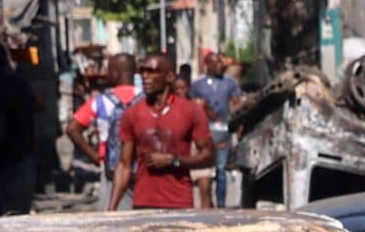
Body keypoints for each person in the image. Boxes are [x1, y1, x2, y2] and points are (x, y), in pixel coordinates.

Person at [109, 52, 213, 211]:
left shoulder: (190, 110)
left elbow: (209, 156)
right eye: (142, 71)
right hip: (143, 203)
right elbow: (124, 165)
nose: (144, 76)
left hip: (179, 203)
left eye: (151, 71)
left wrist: (174, 160)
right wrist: (111, 209)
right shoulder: (132, 113)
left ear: (170, 76)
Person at [67, 54, 137, 207]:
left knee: (112, 222)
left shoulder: (100, 100)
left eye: (109, 69)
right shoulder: (146, 98)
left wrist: (95, 157)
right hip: (141, 172)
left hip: (110, 170)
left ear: (115, 72)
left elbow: (72, 128)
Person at [0, 42, 38, 216]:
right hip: (26, 157)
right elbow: (38, 105)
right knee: (20, 213)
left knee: (9, 215)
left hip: (8, 162)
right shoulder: (21, 85)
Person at [190, 48, 245, 208]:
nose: (220, 65)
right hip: (204, 131)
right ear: (208, 64)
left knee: (221, 168)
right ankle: (207, 203)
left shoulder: (230, 83)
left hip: (223, 130)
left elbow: (236, 103)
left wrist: (236, 122)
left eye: (221, 62)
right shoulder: (198, 84)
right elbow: (194, 105)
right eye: (216, 62)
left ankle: (221, 204)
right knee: (205, 170)